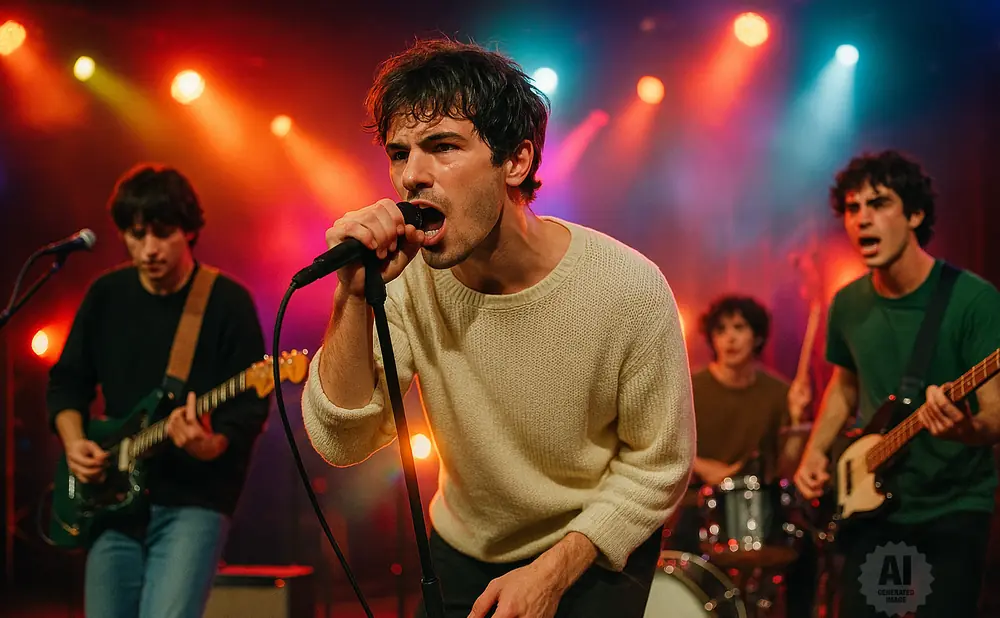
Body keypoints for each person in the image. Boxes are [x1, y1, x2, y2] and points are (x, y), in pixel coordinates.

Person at [300, 39, 695, 618]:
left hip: (593, 549)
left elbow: (658, 466)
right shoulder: (407, 280)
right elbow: (341, 441)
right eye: (400, 152)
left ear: (517, 161)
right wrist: (354, 297)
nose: (411, 176)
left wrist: (554, 570)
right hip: (464, 550)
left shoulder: (626, 288)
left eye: (443, 147)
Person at [46, 164, 270, 618]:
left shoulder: (227, 302)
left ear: (189, 231)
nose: (147, 249)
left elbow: (249, 409)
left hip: (194, 500)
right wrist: (75, 445)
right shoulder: (106, 295)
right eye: (135, 234)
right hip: (111, 497)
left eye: (162, 233)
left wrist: (208, 445)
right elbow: (67, 382)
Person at [793, 150, 1000, 618]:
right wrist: (815, 454)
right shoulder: (846, 304)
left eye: (879, 203)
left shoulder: (974, 300)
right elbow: (845, 387)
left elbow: (994, 418)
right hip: (874, 510)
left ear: (915, 214)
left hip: (952, 507)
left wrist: (960, 429)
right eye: (852, 208)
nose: (862, 219)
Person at [665, 295, 814, 613]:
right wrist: (704, 467)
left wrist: (799, 421)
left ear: (758, 336)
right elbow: (665, 447)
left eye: (739, 328)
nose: (729, 338)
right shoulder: (690, 387)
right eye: (720, 330)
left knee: (806, 549)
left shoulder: (780, 393)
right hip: (699, 505)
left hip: (758, 509)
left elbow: (787, 466)